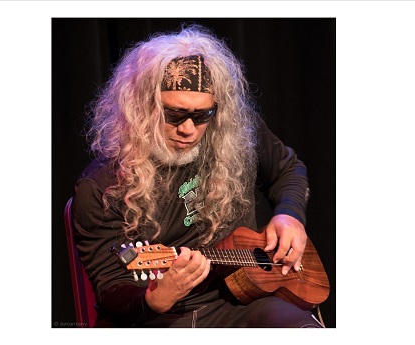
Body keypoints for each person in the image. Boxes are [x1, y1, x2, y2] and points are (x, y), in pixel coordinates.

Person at [72, 24, 323, 328]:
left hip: (239, 304)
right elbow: (109, 283)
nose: (188, 130)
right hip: (161, 318)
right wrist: (153, 300)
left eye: (202, 115)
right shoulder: (101, 186)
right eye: (174, 114)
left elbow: (288, 169)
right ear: (141, 107)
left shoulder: (236, 134)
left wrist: (289, 216)